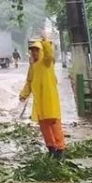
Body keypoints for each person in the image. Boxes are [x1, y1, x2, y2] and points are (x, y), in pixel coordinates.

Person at [19, 30, 65, 159]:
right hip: (39, 103)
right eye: (32, 50)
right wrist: (23, 94)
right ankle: (51, 149)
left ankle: (60, 149)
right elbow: (29, 82)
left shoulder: (46, 62)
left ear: (41, 50)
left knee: (55, 125)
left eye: (36, 50)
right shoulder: (32, 66)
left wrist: (45, 40)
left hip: (50, 100)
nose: (34, 53)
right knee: (44, 127)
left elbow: (49, 55)